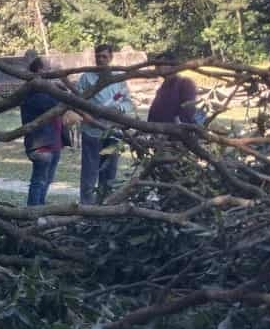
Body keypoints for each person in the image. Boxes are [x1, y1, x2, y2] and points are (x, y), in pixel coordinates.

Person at [75, 42, 134, 204]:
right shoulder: (86, 77)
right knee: (89, 171)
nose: (101, 60)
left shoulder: (118, 78)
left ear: (111, 57)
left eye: (104, 56)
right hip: (91, 131)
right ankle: (86, 206)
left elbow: (128, 103)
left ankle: (105, 203)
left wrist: (118, 109)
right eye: (98, 56)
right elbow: (75, 101)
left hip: (113, 132)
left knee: (109, 171)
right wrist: (85, 114)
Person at [19, 55, 65, 207]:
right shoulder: (36, 93)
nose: (51, 73)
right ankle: (34, 212)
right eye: (49, 69)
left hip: (54, 143)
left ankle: (40, 208)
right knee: (39, 181)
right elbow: (59, 103)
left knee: (46, 180)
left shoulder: (47, 91)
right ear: (40, 71)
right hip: (42, 146)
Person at [147, 51, 200, 126]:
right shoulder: (162, 88)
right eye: (157, 65)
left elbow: (188, 110)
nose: (157, 67)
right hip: (158, 132)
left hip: (176, 132)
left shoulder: (185, 83)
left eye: (160, 64)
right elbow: (153, 113)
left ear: (172, 65)